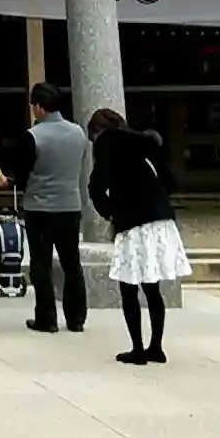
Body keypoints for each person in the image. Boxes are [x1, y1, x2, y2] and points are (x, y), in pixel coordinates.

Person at [87, 108, 191, 366]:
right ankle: (156, 347)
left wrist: (110, 211)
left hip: (131, 219)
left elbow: (96, 186)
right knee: (152, 287)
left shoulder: (106, 143)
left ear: (97, 131)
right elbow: (169, 179)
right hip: (159, 217)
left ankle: (137, 348)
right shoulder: (145, 141)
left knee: (129, 287)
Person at [17, 83, 88, 333]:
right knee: (72, 263)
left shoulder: (33, 136)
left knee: (41, 265)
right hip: (70, 205)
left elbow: (22, 175)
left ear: (39, 107)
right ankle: (76, 318)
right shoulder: (78, 133)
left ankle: (46, 318)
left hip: (40, 208)